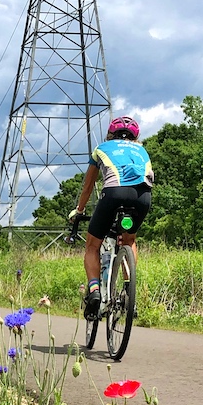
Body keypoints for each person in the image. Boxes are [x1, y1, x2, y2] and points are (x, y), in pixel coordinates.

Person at [68, 116, 154, 318]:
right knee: (129, 238)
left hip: (114, 193)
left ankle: (94, 291)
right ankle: (128, 290)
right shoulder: (142, 150)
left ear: (110, 134)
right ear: (135, 136)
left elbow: (88, 186)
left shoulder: (102, 148)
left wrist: (79, 210)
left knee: (92, 246)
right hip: (143, 197)